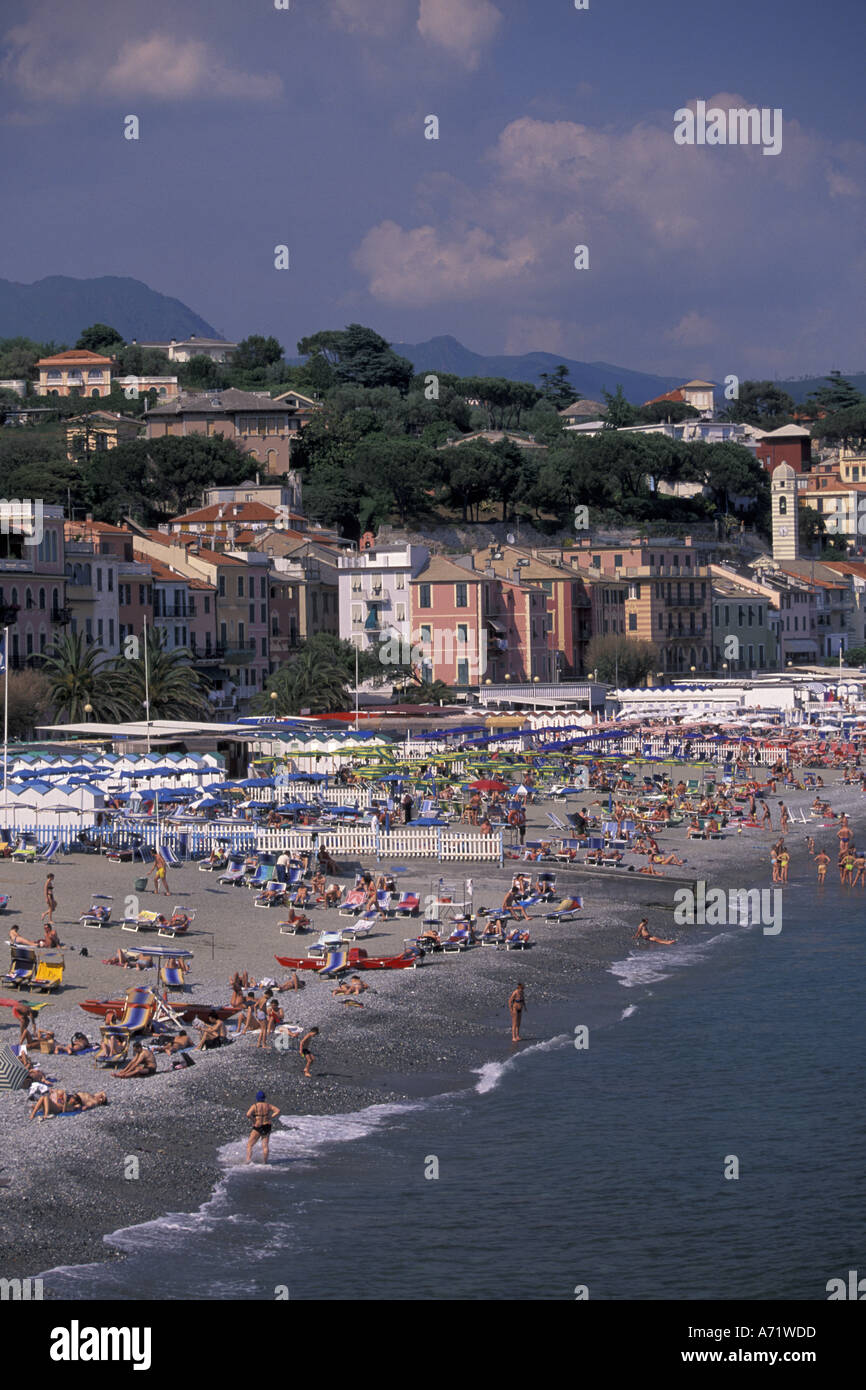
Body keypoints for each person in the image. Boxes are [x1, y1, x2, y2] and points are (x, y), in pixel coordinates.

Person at [246, 1091, 281, 1165]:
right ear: (264, 1098)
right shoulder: (268, 1105)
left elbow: (248, 1114)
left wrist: (254, 1120)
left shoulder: (254, 1106)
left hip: (258, 1126)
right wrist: (271, 1117)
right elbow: (278, 1111)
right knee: (265, 1145)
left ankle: (248, 1160)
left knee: (250, 1144)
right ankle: (265, 1162)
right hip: (267, 1126)